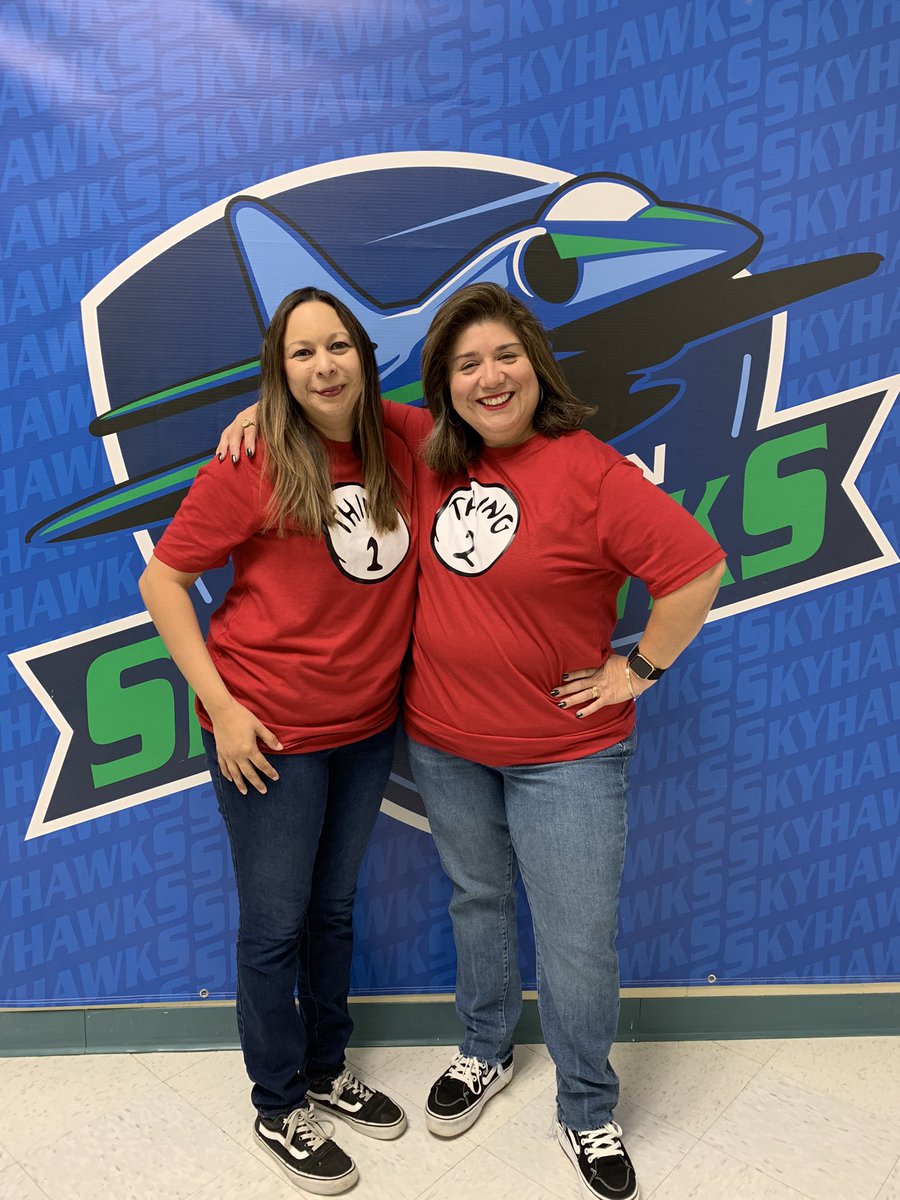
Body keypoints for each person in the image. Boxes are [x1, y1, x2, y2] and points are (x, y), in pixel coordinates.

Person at [219, 282, 726, 1200]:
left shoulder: (593, 474)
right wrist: (265, 409)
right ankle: (485, 1047)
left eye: (504, 357)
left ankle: (586, 1104)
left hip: (568, 755)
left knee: (576, 939)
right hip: (446, 743)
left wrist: (639, 669)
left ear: (537, 365)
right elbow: (335, 403)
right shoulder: (428, 447)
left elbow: (698, 568)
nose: (489, 379)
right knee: (478, 903)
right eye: (465, 365)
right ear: (444, 387)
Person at [140, 287, 416, 1195]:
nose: (324, 366)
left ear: (365, 355)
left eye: (338, 346)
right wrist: (221, 708)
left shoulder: (402, 441)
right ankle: (278, 1101)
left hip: (365, 730)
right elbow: (162, 583)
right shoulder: (251, 463)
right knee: (274, 926)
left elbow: (486, 423)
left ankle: (327, 1069)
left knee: (332, 912)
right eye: (301, 354)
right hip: (270, 737)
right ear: (278, 369)